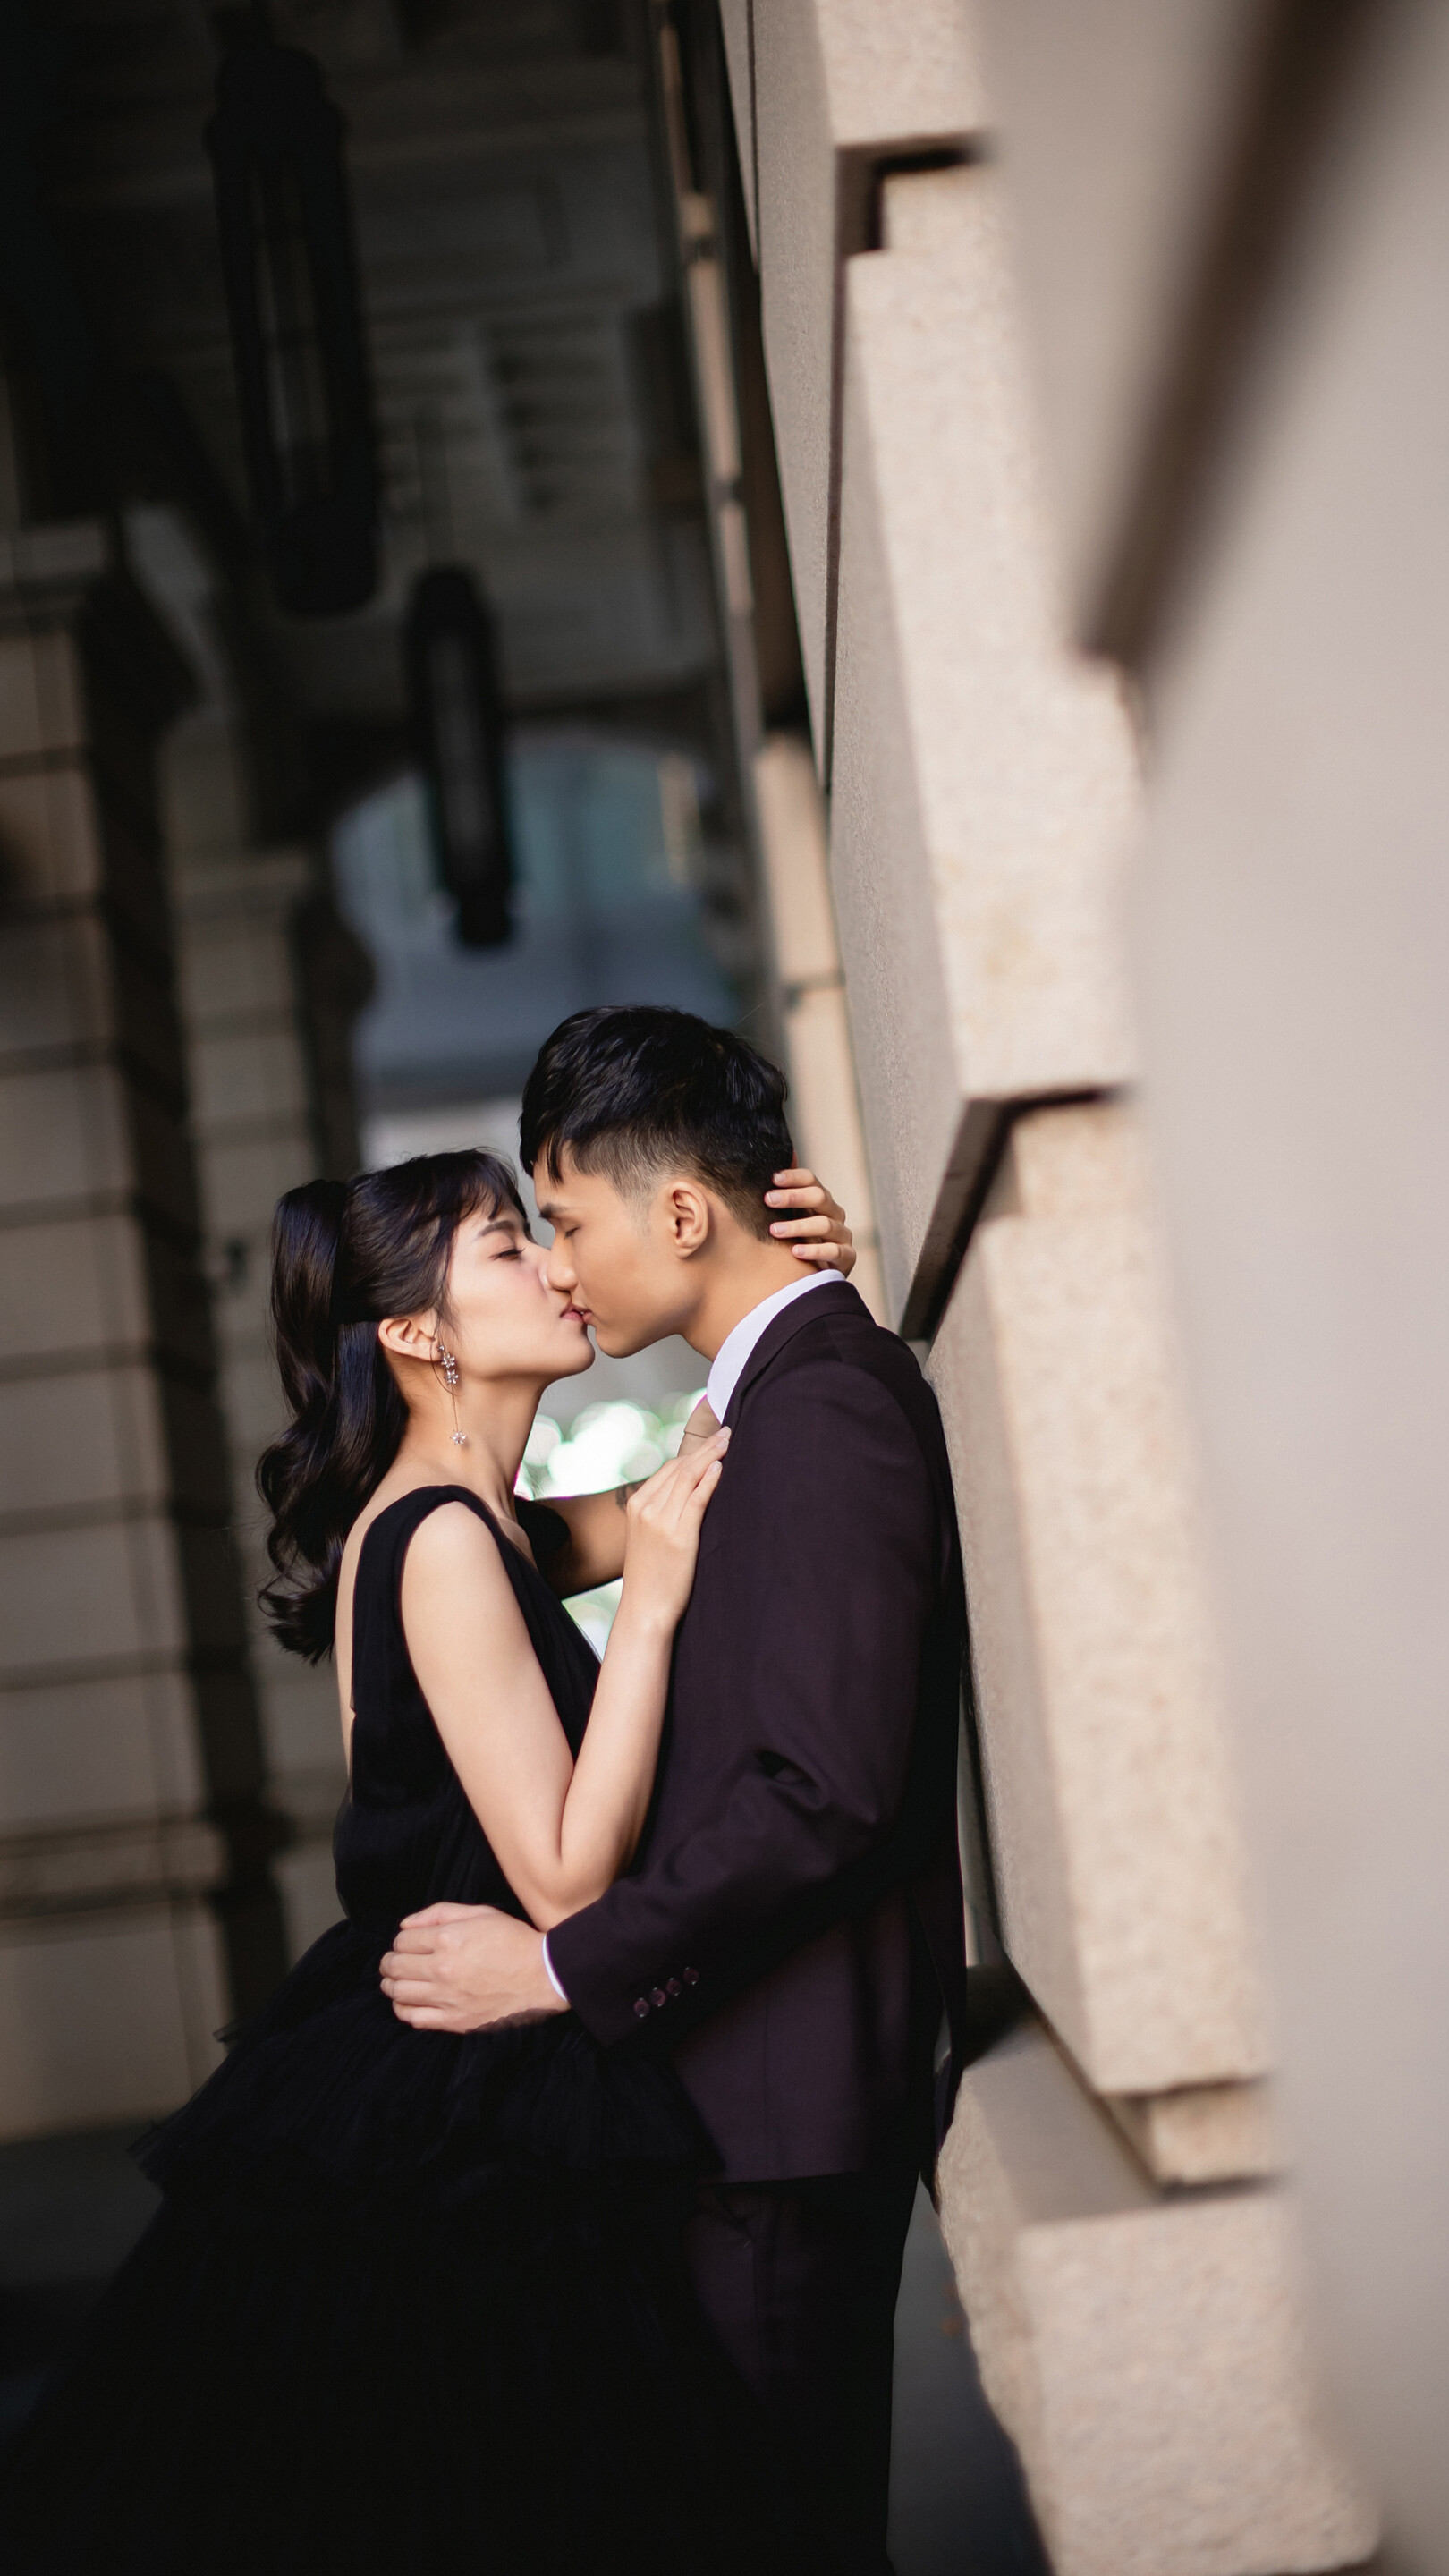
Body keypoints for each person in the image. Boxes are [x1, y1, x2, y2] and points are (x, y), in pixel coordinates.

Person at [0, 1138, 856, 2574]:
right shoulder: (442, 1539)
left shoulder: (480, 1525)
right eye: (509, 1247)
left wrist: (791, 1278)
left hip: (443, 2054)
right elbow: (567, 1883)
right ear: (414, 1333)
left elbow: (710, 1475)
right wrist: (648, 1613)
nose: (555, 1267)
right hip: (459, 2094)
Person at [380, 1005, 968, 2576]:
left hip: (778, 2112)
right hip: (744, 2103)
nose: (561, 1266)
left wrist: (560, 1968)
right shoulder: (766, 1406)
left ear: (687, 1215)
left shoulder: (820, 1404)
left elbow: (824, 1792)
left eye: (565, 1222)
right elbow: (535, 1541)